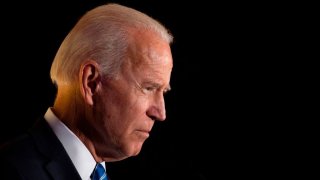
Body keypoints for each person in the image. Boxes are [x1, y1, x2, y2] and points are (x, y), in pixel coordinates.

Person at [0, 3, 173, 180]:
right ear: (91, 83)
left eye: (163, 92)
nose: (160, 113)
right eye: (149, 88)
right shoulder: (13, 172)